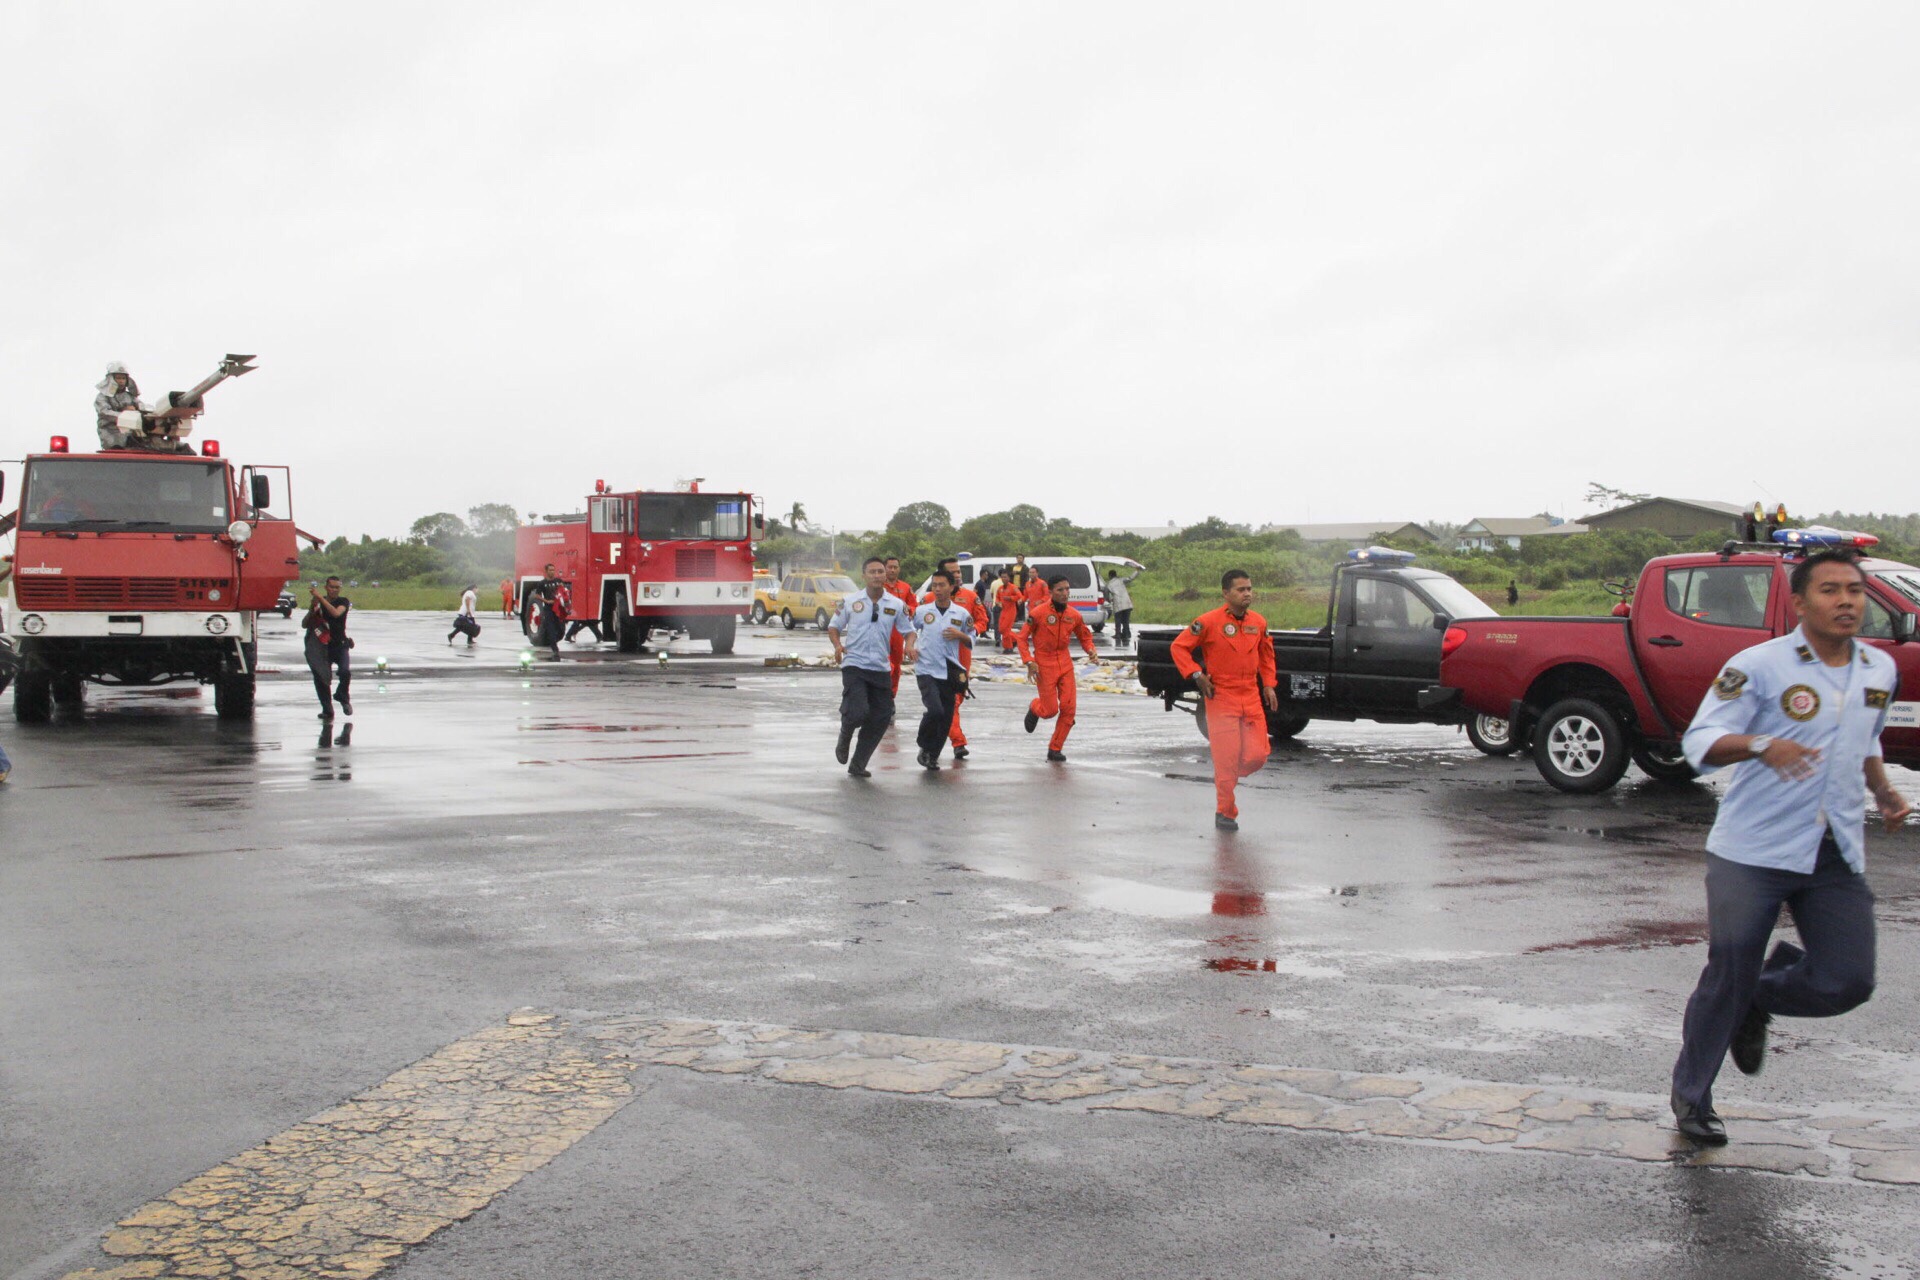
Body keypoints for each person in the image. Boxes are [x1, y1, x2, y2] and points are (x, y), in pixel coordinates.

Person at [1668, 549, 1910, 1145]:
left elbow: (1866, 739)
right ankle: (1693, 1098)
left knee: (1846, 981)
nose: (1847, 601)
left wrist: (1883, 790)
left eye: (1855, 590)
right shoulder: (1759, 666)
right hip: (1752, 850)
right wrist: (1759, 744)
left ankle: (1757, 997)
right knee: (1727, 972)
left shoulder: (1879, 670)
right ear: (1800, 603)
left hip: (1833, 850)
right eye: (1831, 590)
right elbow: (1701, 739)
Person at [1171, 569, 1278, 830]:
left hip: (1250, 696)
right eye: (1241, 590)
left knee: (1258, 755)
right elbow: (1179, 647)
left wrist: (1269, 685)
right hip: (1221, 697)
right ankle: (1225, 812)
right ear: (1226, 593)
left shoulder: (1259, 622)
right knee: (1226, 757)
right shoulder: (1207, 622)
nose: (1247, 594)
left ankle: (1228, 776)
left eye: (1249, 589)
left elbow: (1266, 655)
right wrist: (1197, 674)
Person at [828, 557, 916, 778]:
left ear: (886, 575)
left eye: (880, 572)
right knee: (858, 712)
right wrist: (838, 646)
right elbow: (834, 626)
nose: (877, 575)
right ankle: (845, 733)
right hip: (854, 665)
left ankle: (858, 763)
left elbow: (909, 630)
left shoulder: (896, 604)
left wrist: (910, 646)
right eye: (872, 572)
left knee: (881, 717)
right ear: (863, 576)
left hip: (880, 667)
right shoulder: (849, 601)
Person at [1018, 575, 1098, 762]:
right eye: (1060, 590)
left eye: (1067, 589)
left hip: (1065, 663)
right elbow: (1021, 638)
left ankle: (1055, 748)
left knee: (1069, 709)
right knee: (1050, 710)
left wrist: (1091, 650)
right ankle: (1035, 706)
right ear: (1051, 592)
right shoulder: (1038, 613)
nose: (1065, 593)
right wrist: (1028, 660)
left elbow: (1085, 636)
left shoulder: (1074, 615)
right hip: (1043, 665)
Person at [911, 570, 974, 769]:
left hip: (949, 670)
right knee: (935, 711)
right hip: (926, 668)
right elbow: (910, 630)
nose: (937, 589)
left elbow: (972, 638)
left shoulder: (961, 614)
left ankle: (933, 755)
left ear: (952, 587)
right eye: (934, 585)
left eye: (942, 585)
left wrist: (959, 635)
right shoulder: (923, 611)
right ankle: (924, 744)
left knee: (946, 716)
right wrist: (910, 645)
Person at [937, 557, 990, 759]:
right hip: (938, 655)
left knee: (955, 698)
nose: (958, 575)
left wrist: (971, 632)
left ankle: (950, 736)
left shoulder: (970, 596)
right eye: (953, 572)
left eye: (959, 572)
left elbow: (982, 620)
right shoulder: (929, 600)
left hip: (961, 655)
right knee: (947, 702)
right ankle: (958, 741)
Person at [303, 576, 353, 720]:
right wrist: (313, 608)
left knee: (345, 672)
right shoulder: (319, 603)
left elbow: (336, 613)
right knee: (321, 678)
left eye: (337, 587)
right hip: (323, 647)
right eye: (332, 587)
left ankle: (342, 697)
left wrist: (320, 598)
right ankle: (327, 709)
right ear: (326, 587)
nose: (334, 590)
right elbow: (305, 624)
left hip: (340, 644)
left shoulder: (343, 601)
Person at [882, 556, 916, 696]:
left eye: (895, 567)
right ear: (884, 568)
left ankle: (891, 695)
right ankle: (881, 694)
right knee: (884, 664)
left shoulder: (905, 587)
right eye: (890, 567)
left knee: (896, 666)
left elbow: (914, 605)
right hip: (881, 629)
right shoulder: (878, 586)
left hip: (898, 632)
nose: (892, 570)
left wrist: (910, 610)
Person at [94, 362, 143, 450]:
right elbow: (104, 412)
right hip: (110, 432)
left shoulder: (130, 396)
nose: (121, 381)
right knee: (116, 450)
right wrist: (125, 413)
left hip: (130, 433)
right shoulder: (102, 397)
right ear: (111, 379)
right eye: (118, 378)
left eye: (123, 378)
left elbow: (142, 407)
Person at [1103, 563, 1144, 646]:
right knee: (1126, 620)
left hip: (1118, 604)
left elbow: (1106, 595)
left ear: (1110, 576)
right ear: (1115, 575)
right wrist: (1137, 571)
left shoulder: (1108, 585)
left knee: (1118, 620)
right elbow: (1130, 578)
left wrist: (1109, 600)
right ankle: (1126, 634)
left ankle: (1118, 634)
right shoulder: (1121, 580)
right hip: (1127, 603)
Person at [534, 563, 569, 658]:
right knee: (551, 629)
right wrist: (546, 601)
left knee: (561, 630)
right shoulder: (542, 583)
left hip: (559, 608)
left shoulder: (558, 581)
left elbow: (564, 591)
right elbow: (537, 595)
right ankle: (555, 649)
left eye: (553, 570)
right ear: (546, 571)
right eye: (550, 570)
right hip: (549, 609)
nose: (552, 572)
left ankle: (554, 641)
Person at [995, 568, 1021, 653]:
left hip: (1011, 610)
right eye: (1002, 577)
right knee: (1001, 629)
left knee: (1005, 630)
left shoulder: (1013, 587)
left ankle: (1008, 647)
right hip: (1004, 610)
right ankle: (1017, 639)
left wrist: (1010, 598)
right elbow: (997, 598)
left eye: (1005, 577)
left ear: (1009, 578)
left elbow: (1019, 596)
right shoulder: (1000, 588)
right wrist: (998, 603)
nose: (1003, 579)